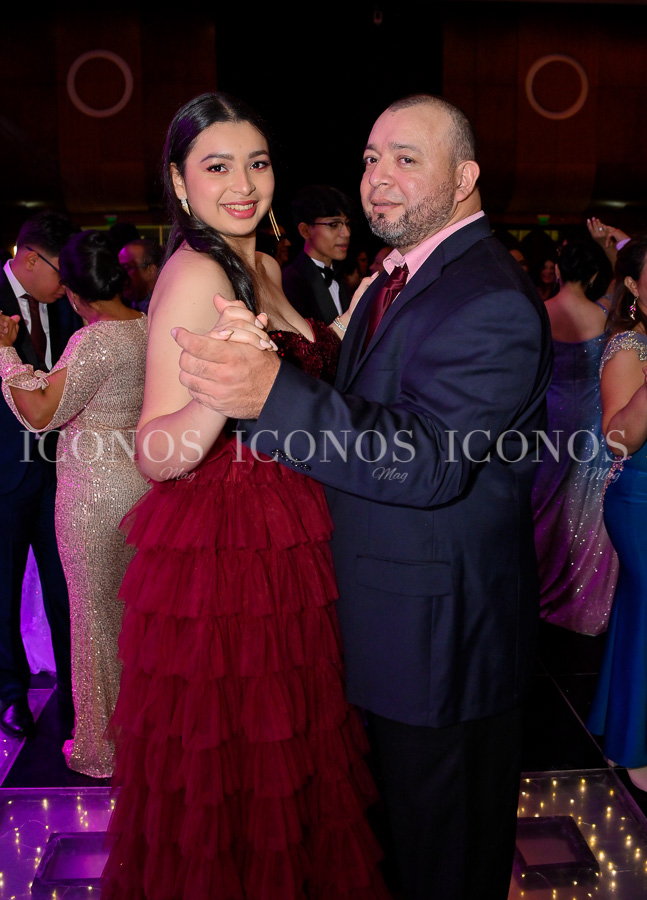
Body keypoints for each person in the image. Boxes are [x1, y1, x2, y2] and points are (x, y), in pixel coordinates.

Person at [173, 94, 553, 900]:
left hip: (439, 640)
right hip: (385, 620)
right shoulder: (403, 277)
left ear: (464, 178)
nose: (377, 178)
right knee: (399, 851)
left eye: (406, 160)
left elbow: (429, 462)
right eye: (371, 159)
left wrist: (270, 394)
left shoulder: (487, 296)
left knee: (442, 860)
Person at [101, 92, 389, 900]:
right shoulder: (196, 271)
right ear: (179, 181)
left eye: (256, 164)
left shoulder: (258, 263)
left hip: (287, 526)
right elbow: (155, 452)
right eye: (217, 166)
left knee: (291, 751)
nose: (242, 184)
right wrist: (221, 396)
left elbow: (303, 371)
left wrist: (352, 320)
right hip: (225, 548)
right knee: (238, 769)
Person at [0, 230, 149, 777]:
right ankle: (144, 729)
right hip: (140, 483)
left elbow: (42, 412)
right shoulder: (146, 326)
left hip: (93, 493)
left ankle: (102, 746)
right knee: (133, 614)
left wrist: (4, 355)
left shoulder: (94, 340)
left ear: (77, 293)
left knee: (94, 620)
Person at [0, 211, 79, 740]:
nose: (67, 283)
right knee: (4, 591)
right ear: (30, 259)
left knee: (65, 588)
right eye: (60, 270)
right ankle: (11, 694)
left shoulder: (67, 307)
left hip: (59, 471)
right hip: (4, 470)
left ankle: (77, 695)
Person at [532, 240, 619, 635]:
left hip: (550, 421)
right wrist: (613, 251)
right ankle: (579, 600)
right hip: (591, 425)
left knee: (542, 500)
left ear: (559, 270)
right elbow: (626, 296)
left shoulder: (540, 311)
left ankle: (534, 586)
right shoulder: (604, 314)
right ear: (594, 274)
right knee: (585, 509)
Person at [588, 236, 647, 792]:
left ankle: (619, 723)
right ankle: (636, 750)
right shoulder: (630, 346)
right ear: (633, 286)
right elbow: (618, 440)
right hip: (640, 499)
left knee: (638, 608)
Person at [281, 184, 354, 324]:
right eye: (333, 225)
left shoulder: (340, 278)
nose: (346, 233)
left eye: (347, 224)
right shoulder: (290, 282)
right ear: (305, 230)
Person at [119, 238, 164, 313]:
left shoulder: (160, 309)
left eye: (127, 267)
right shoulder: (133, 303)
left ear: (151, 271)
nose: (119, 274)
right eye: (119, 268)